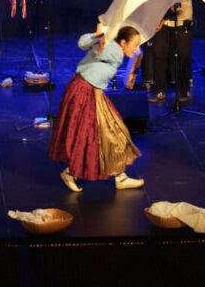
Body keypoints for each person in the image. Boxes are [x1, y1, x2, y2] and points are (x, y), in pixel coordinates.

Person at [49, 24, 145, 191]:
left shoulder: (114, 49)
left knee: (112, 131)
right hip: (84, 92)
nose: (137, 49)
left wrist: (98, 38)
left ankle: (119, 176)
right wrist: (99, 39)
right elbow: (92, 47)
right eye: (135, 45)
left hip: (90, 91)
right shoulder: (114, 50)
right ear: (123, 42)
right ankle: (72, 173)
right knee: (92, 134)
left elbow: (84, 44)